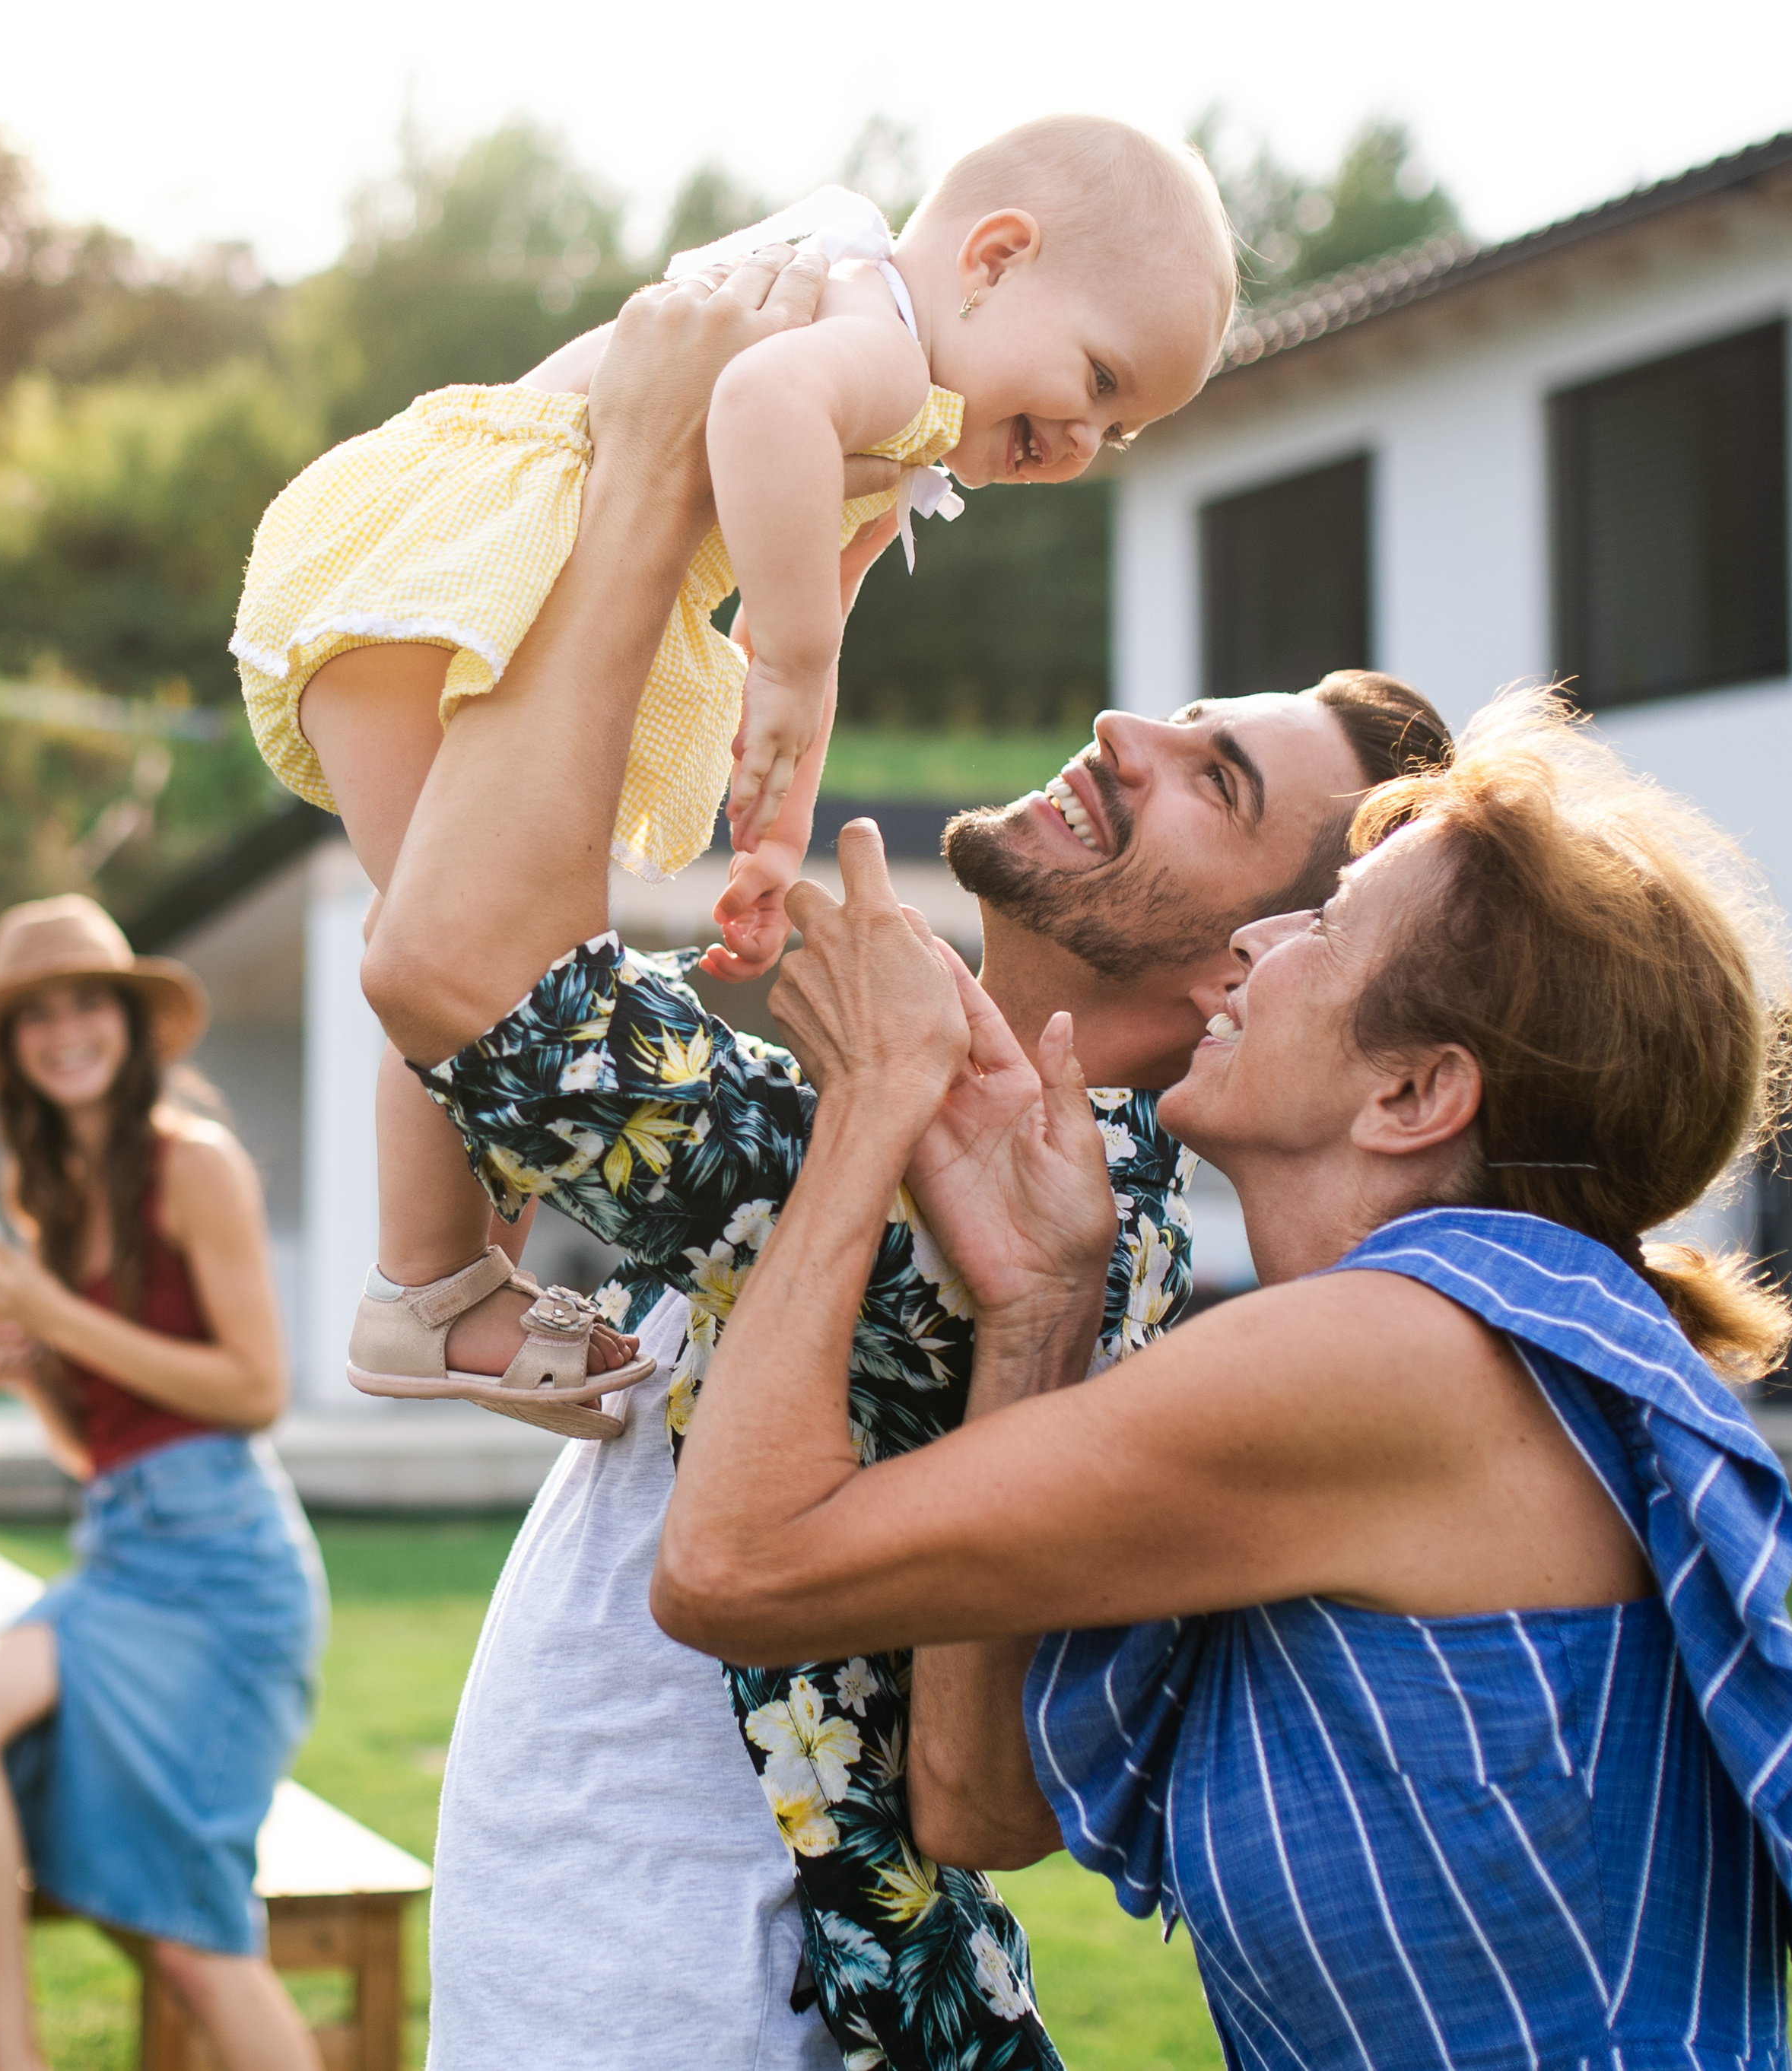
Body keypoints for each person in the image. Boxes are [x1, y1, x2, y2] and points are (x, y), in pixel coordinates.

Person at [353, 243, 1448, 2070]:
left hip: (707, 1990)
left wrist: (638, 476)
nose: (1127, 732)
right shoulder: (979, 1115)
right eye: (1183, 718)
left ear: (1240, 959)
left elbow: (453, 967)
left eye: (1214, 782)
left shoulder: (961, 1154)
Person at [650, 691, 1792, 2069]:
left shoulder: (1391, 1357)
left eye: (1325, 928)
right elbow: (977, 1800)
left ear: (1413, 1096)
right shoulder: (1447, 1349)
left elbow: (729, 1573)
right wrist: (1041, 1309)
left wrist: (872, 1099)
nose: (1252, 943)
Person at [231, 116, 1244, 1443]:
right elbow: (761, 424)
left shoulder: (902, 408)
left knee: (495, 929)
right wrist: (799, 661)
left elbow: (799, 624)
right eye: (1097, 378)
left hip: (502, 577)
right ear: (993, 258)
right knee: (473, 933)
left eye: (1117, 429)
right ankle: (425, 1282)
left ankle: (437, 1279)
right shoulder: (876, 335)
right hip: (461, 566)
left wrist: (769, 826)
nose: (1081, 436)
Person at [0, 895, 327, 2071]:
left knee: (189, 1936)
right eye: (36, 1015)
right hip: (122, 1551)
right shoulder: (46, 1194)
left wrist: (56, 1314)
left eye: (87, 1001)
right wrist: (30, 1370)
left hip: (224, 1574)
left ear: (130, 1022)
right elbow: (97, 1445)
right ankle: (12, 2052)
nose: (65, 1030)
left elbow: (253, 1389)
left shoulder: (195, 1164)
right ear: (14, 1052)